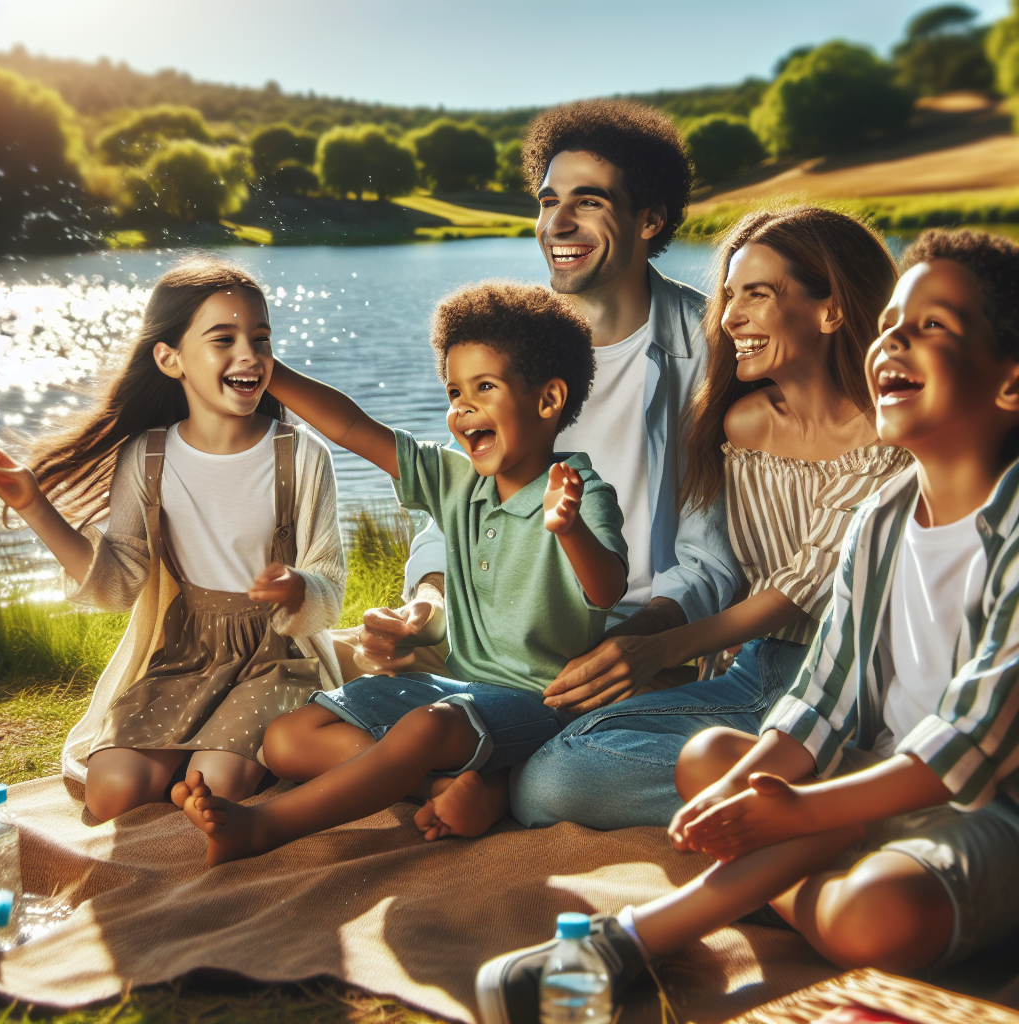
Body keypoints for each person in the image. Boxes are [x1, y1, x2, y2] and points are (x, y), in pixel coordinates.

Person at [475, 230, 1019, 1021]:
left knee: (871, 914)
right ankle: (810, 848)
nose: (894, 338)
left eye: (933, 326)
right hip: (867, 773)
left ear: (1010, 384)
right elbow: (826, 699)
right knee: (710, 759)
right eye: (895, 320)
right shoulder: (882, 519)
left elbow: (969, 742)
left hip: (989, 806)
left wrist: (798, 813)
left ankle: (631, 937)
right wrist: (751, 784)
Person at [174, 282, 628, 865]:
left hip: (543, 702)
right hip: (459, 688)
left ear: (547, 400)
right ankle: (447, 787)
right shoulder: (457, 481)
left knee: (422, 729)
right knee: (287, 739)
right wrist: (270, 371)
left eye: (483, 388)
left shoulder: (581, 492)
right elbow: (352, 429)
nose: (462, 409)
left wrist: (569, 530)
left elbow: (607, 589)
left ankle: (262, 828)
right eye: (453, 391)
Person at [513, 205, 912, 829]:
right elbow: (725, 566)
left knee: (562, 772)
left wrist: (656, 649)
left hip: (862, 692)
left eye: (758, 294)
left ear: (831, 309)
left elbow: (800, 588)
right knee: (552, 777)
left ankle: (842, 797)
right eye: (729, 295)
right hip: (758, 673)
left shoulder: (895, 436)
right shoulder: (742, 427)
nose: (729, 318)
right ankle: (828, 798)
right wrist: (642, 644)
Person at [339, 98, 742, 707]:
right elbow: (458, 501)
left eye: (589, 201)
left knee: (527, 756)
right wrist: (427, 604)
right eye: (549, 201)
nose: (556, 224)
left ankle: (485, 762)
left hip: (638, 641)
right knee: (336, 667)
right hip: (499, 633)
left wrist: (636, 643)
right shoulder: (509, 339)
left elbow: (712, 553)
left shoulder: (713, 351)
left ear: (650, 219)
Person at [0, 257, 345, 822]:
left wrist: (298, 588)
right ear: (170, 358)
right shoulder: (148, 457)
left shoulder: (301, 455)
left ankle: (214, 772)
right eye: (223, 339)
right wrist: (35, 505)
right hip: (185, 653)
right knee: (110, 792)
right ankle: (182, 773)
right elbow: (116, 584)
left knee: (219, 782)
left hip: (275, 657)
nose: (249, 356)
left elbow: (330, 581)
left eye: (260, 338)